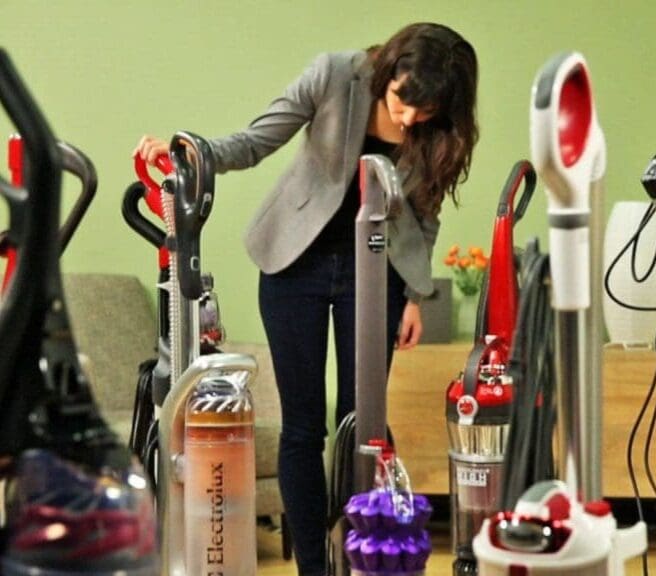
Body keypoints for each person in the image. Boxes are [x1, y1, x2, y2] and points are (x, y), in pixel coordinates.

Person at [134, 21, 478, 576]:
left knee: (362, 422)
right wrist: (187, 152)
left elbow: (426, 215)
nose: (410, 118)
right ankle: (315, 568)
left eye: (426, 111)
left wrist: (417, 294)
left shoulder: (439, 134)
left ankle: (364, 556)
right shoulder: (336, 75)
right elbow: (253, 142)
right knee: (303, 427)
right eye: (401, 100)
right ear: (389, 70)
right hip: (295, 267)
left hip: (379, 274)